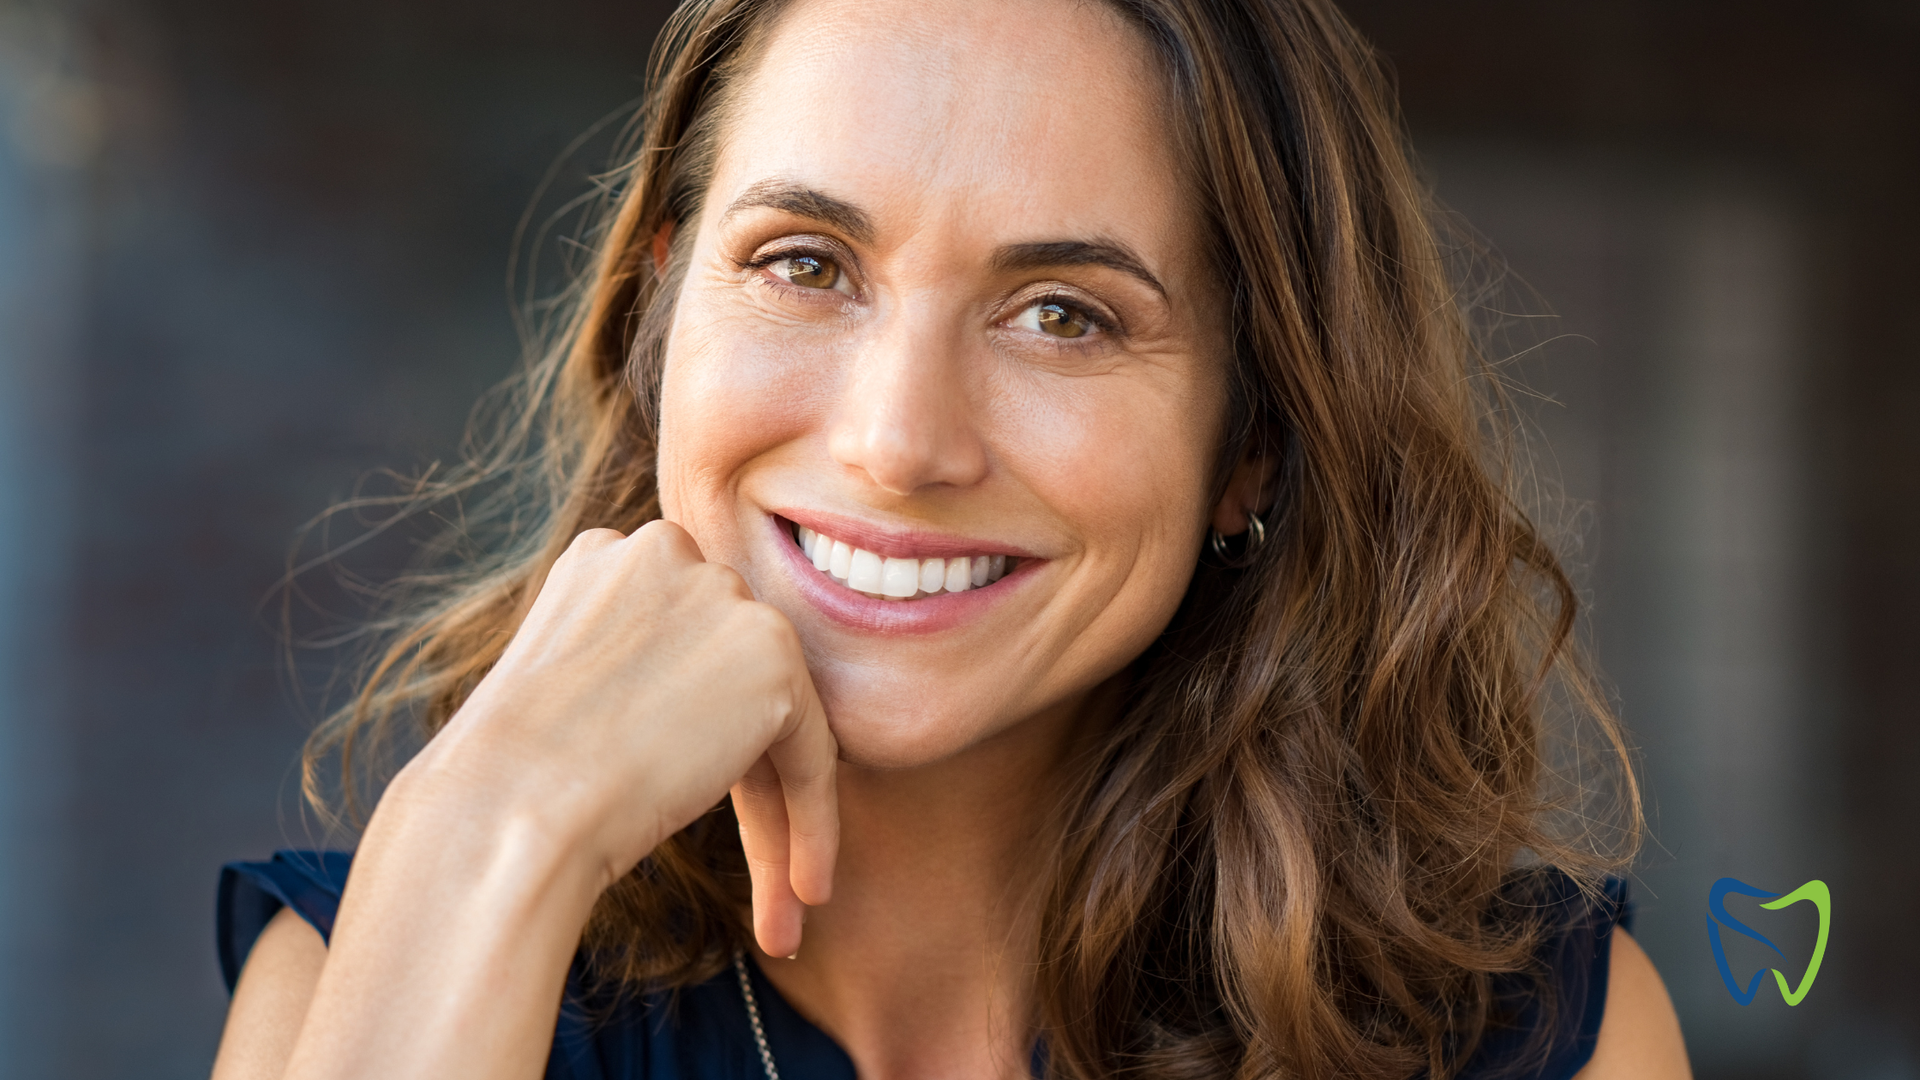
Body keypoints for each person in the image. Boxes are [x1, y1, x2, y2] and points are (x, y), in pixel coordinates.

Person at [208, 0, 1692, 1076]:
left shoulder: (1534, 1032)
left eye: (1065, 314)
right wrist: (495, 822)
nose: (899, 442)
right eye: (805, 265)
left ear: (1250, 445)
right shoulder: (377, 964)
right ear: (665, 317)